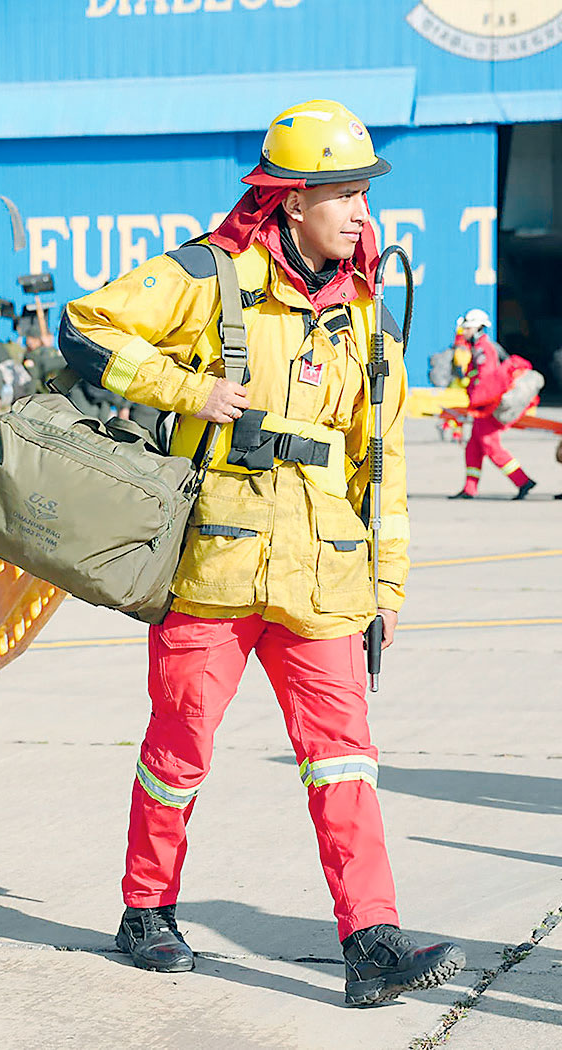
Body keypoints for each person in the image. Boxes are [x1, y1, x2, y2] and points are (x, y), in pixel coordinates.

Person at [58, 100, 465, 1005]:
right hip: (212, 570)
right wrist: (183, 388)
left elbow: (380, 463)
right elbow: (85, 327)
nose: (363, 213)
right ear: (289, 201)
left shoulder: (365, 316)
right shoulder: (209, 276)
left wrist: (387, 587)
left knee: (345, 759)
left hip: (324, 579)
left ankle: (372, 942)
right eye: (345, 194)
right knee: (179, 748)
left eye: (364, 194)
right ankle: (146, 907)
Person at [449, 308, 536, 500]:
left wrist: (478, 403)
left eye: (468, 328)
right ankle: (470, 489)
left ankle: (522, 481)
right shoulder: (478, 348)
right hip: (481, 406)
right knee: (473, 447)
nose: (465, 332)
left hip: (486, 407)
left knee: (490, 445)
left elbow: (487, 381)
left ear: (478, 327)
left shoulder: (484, 349)